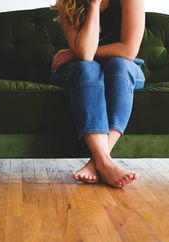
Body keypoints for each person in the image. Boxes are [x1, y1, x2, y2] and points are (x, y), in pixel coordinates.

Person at [48, 0, 146, 188]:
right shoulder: (67, 3)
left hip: (124, 67)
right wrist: (94, 5)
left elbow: (128, 50)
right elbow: (85, 54)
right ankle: (105, 163)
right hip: (80, 68)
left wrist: (72, 52)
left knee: (118, 64)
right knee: (88, 69)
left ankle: (98, 162)